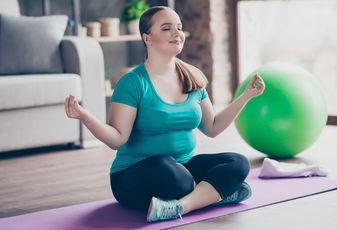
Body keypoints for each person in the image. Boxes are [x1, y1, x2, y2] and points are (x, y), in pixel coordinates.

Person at [65, 6, 265, 223]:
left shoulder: (193, 77)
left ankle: (180, 206)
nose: (177, 33)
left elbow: (213, 127)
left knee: (238, 163)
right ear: (147, 38)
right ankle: (217, 194)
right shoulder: (133, 83)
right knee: (169, 170)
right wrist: (85, 116)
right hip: (136, 176)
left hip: (183, 168)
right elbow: (117, 139)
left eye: (179, 27)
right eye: (167, 28)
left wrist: (245, 97)